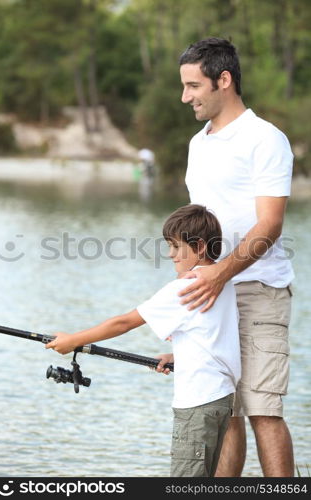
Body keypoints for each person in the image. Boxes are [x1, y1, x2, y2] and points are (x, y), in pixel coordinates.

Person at [159, 37, 294, 477]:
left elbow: (269, 225)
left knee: (262, 409)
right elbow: (196, 234)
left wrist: (220, 275)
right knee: (223, 410)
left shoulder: (265, 139)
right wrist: (190, 321)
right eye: (183, 86)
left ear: (224, 79)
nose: (185, 97)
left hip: (258, 291)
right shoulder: (198, 144)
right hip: (210, 297)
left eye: (193, 86)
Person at [45, 204, 241, 477]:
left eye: (175, 246)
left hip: (197, 403)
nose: (170, 254)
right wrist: (176, 357)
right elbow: (214, 337)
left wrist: (73, 340)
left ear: (198, 247)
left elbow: (124, 322)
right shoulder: (223, 283)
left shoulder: (186, 287)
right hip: (220, 400)